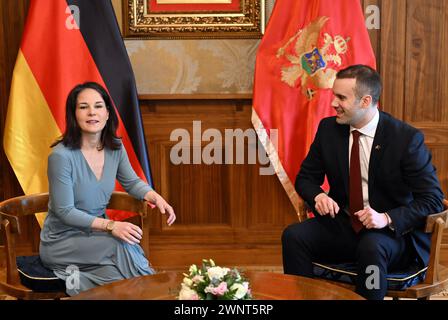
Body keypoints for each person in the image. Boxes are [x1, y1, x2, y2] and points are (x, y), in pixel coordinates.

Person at [282, 65, 444, 300]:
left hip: (392, 237)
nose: (333, 104)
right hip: (345, 225)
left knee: (371, 246)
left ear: (365, 101)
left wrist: (386, 218)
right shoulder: (328, 130)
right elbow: (306, 177)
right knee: (294, 236)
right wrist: (318, 196)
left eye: (341, 98)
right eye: (334, 96)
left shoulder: (405, 139)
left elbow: (432, 200)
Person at [40, 82, 176, 296]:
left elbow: (131, 182)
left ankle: (80, 285)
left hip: (97, 238)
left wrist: (155, 196)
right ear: (73, 114)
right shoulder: (61, 157)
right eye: (83, 106)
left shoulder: (115, 147)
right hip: (62, 242)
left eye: (98, 106)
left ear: (107, 113)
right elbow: (64, 211)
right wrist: (111, 225)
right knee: (119, 245)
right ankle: (159, 291)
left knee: (119, 280)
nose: (92, 112)